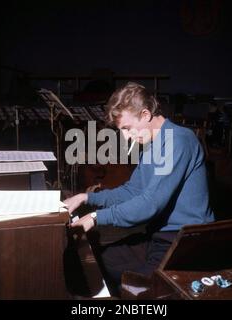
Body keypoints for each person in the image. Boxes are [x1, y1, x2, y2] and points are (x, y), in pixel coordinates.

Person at [64, 82, 214, 296]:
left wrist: (95, 218)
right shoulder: (155, 144)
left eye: (127, 128)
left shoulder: (177, 140)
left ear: (145, 114)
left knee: (133, 290)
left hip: (186, 242)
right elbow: (132, 191)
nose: (125, 137)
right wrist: (86, 197)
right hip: (160, 236)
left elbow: (149, 204)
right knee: (89, 259)